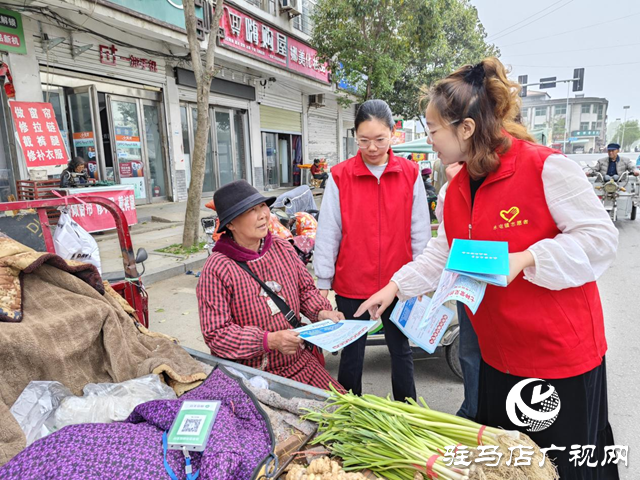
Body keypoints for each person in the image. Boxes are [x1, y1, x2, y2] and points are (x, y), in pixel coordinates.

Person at [356, 58, 619, 479]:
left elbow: (601, 240)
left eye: (433, 130)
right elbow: (444, 252)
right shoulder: (454, 190)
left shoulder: (546, 168)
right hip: (499, 355)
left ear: (466, 128)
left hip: (555, 357)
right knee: (509, 465)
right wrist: (394, 287)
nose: (429, 141)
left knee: (557, 466)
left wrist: (528, 258)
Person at [314, 99, 431, 401]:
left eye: (380, 139)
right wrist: (323, 284)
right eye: (363, 140)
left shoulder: (410, 172)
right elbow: (329, 231)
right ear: (355, 136)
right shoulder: (340, 176)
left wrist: (419, 279)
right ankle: (350, 413)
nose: (372, 147)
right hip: (353, 282)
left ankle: (408, 411)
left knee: (401, 349)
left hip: (398, 281)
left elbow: (419, 229)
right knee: (352, 354)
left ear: (393, 134)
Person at [197, 180, 345, 391]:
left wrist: (321, 312)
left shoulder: (281, 247)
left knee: (343, 410)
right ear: (230, 224)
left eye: (263, 206)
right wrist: (269, 340)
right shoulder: (218, 268)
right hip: (254, 376)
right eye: (251, 211)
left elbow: (305, 291)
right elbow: (217, 335)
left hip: (299, 363)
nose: (263, 215)